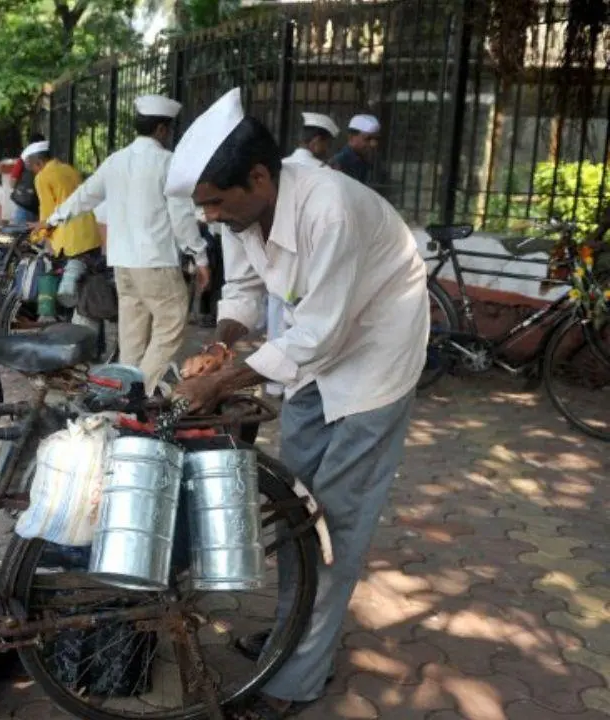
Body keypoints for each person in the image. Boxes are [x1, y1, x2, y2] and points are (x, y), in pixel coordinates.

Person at [165, 88, 428, 719]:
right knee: (295, 511)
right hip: (309, 362)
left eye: (217, 204)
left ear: (258, 176)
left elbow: (324, 334)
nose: (211, 217)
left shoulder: (329, 207)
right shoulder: (238, 209)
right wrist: (222, 348)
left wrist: (221, 385)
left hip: (373, 364)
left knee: (333, 526)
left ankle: (295, 680)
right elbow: (247, 293)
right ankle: (294, 635)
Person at [44, 95, 210, 390]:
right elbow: (182, 216)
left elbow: (86, 195)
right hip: (156, 262)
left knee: (132, 337)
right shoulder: (168, 162)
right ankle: (140, 390)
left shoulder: (115, 161)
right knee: (170, 326)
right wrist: (200, 256)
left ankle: (122, 400)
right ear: (162, 129)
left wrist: (55, 218)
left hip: (123, 263)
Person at [266, 111, 339, 398]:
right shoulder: (324, 175)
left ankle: (273, 381)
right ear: (318, 142)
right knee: (303, 326)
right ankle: (294, 386)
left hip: (275, 258)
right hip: (308, 261)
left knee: (276, 322)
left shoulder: (278, 169)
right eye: (327, 144)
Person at [23, 141, 102, 324]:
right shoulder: (69, 169)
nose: (33, 172)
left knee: (62, 281)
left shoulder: (43, 177)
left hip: (69, 238)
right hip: (91, 233)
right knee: (84, 284)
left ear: (38, 163)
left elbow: (48, 214)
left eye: (32, 168)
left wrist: (37, 236)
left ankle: (58, 322)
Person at [330, 113, 380, 183]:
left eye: (376, 139)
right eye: (367, 139)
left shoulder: (366, 161)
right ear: (351, 138)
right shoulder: (339, 163)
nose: (373, 144)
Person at [9, 133, 46, 224]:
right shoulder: (49, 159)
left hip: (25, 206)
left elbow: (12, 183)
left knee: (20, 235)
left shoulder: (24, 159)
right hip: (43, 207)